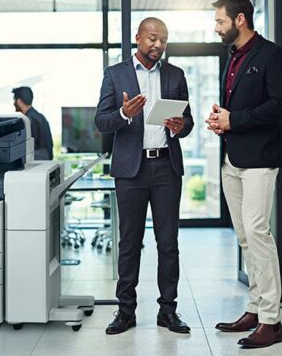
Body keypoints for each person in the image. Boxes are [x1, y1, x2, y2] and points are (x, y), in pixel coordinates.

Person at [95, 17, 194, 335]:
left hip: (166, 167)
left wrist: (181, 127)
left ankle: (168, 311)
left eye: (163, 40)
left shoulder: (176, 75)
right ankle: (125, 312)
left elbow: (188, 121)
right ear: (138, 38)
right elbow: (100, 121)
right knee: (129, 243)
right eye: (153, 38)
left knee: (168, 243)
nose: (158, 45)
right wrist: (125, 113)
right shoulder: (115, 74)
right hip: (131, 170)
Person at [205, 0, 282, 348]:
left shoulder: (273, 55)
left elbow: (281, 104)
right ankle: (256, 308)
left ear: (240, 20)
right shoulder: (233, 57)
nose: (216, 27)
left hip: (260, 159)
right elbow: (238, 106)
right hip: (233, 158)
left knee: (258, 233)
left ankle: (272, 321)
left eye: (220, 22)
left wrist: (235, 119)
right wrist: (221, 119)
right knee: (244, 237)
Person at [12, 86, 53, 160]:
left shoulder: (27, 120)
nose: (13, 103)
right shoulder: (40, 117)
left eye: (14, 100)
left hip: (37, 162)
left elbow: (29, 147)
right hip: (46, 161)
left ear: (19, 101)